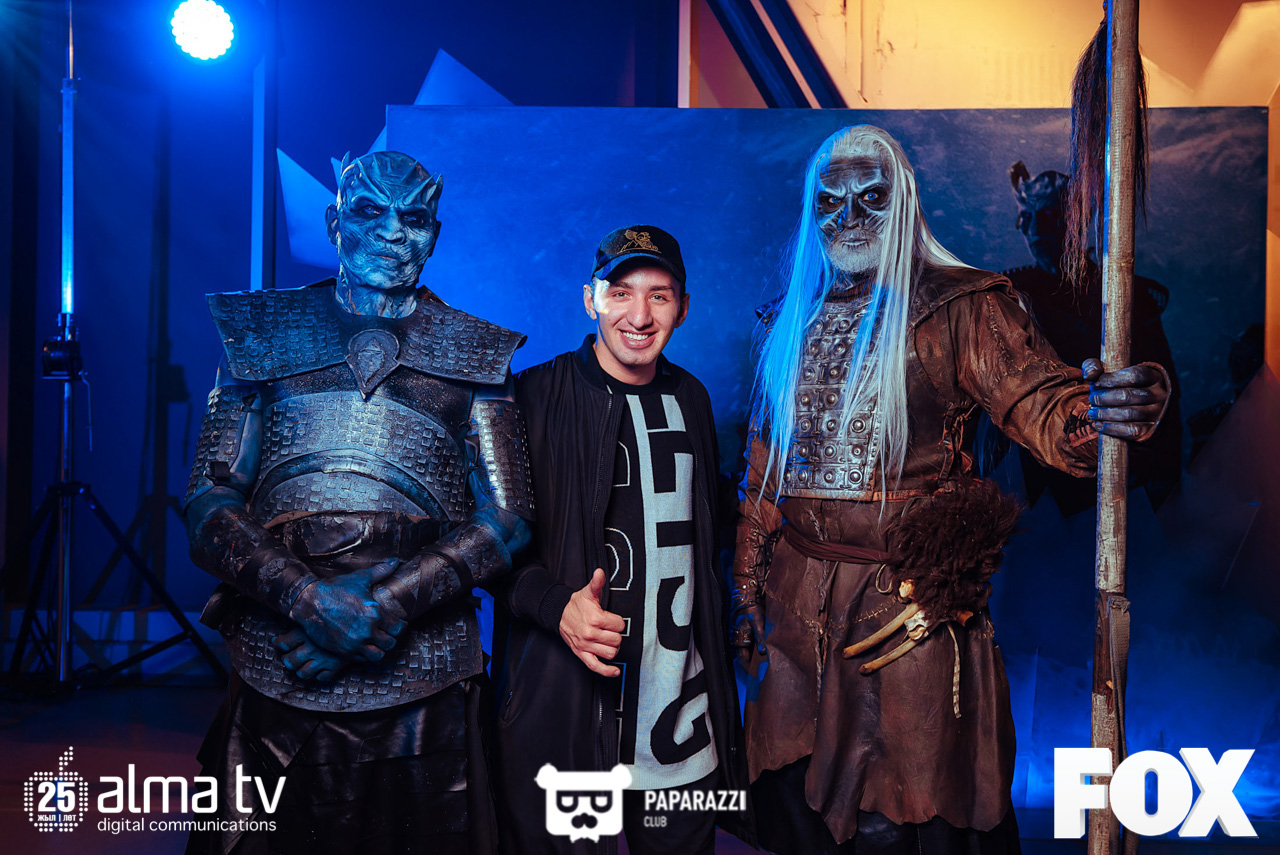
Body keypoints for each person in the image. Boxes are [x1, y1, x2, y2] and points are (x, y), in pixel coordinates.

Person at [731, 126, 1170, 854]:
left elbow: (1042, 405)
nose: (848, 218)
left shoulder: (960, 305)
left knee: (906, 813)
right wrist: (745, 592)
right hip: (794, 612)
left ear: (903, 201)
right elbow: (762, 478)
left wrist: (1107, 409)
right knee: (793, 809)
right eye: (829, 201)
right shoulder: (787, 321)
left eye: (870, 198)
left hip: (906, 609)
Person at [182, 151, 534, 855]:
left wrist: (384, 606)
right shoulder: (261, 335)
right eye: (371, 211)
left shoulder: (478, 352)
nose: (393, 233)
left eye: (414, 217)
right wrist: (307, 599)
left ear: (435, 233)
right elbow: (208, 503)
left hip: (425, 669)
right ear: (334, 221)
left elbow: (509, 520)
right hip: (279, 655)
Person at [491, 226, 750, 854]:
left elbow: (708, 533)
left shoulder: (692, 399)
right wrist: (556, 606)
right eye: (620, 292)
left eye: (659, 296)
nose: (639, 316)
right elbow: (484, 548)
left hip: (679, 720)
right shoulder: (530, 396)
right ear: (590, 300)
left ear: (683, 308)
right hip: (566, 717)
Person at [1002, 162, 1181, 512]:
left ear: (1075, 221)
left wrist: (1164, 481)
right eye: (1027, 219)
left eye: (1049, 216)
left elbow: (1164, 395)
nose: (1036, 230)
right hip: (1041, 485)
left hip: (1121, 476)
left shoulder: (1127, 295)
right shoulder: (1012, 296)